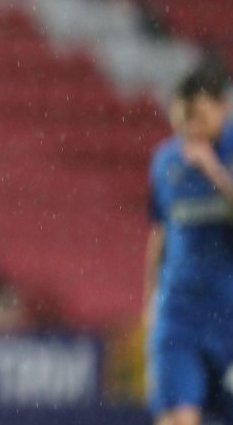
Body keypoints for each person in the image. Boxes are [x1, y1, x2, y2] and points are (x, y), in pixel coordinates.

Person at [145, 64, 233, 425]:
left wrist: (214, 172)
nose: (189, 130)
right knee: (178, 417)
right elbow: (158, 234)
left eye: (198, 117)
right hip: (179, 312)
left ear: (222, 108)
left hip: (228, 314)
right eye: (181, 120)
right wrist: (149, 302)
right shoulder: (166, 160)